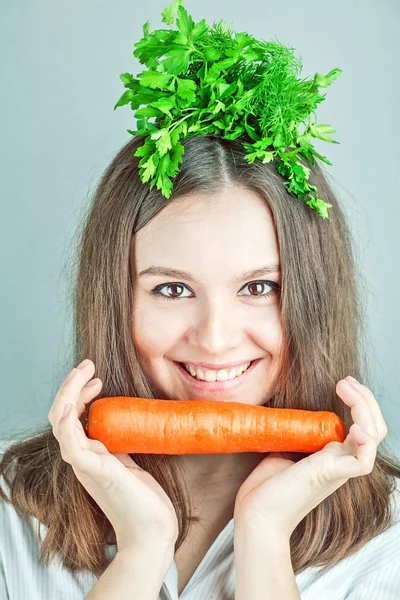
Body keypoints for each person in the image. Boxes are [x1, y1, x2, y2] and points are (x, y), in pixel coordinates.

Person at [1, 2, 400, 599]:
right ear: (115, 297)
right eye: (172, 288)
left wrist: (263, 537)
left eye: (259, 288)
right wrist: (140, 551)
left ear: (314, 296)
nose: (215, 338)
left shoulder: (388, 538)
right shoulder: (10, 508)